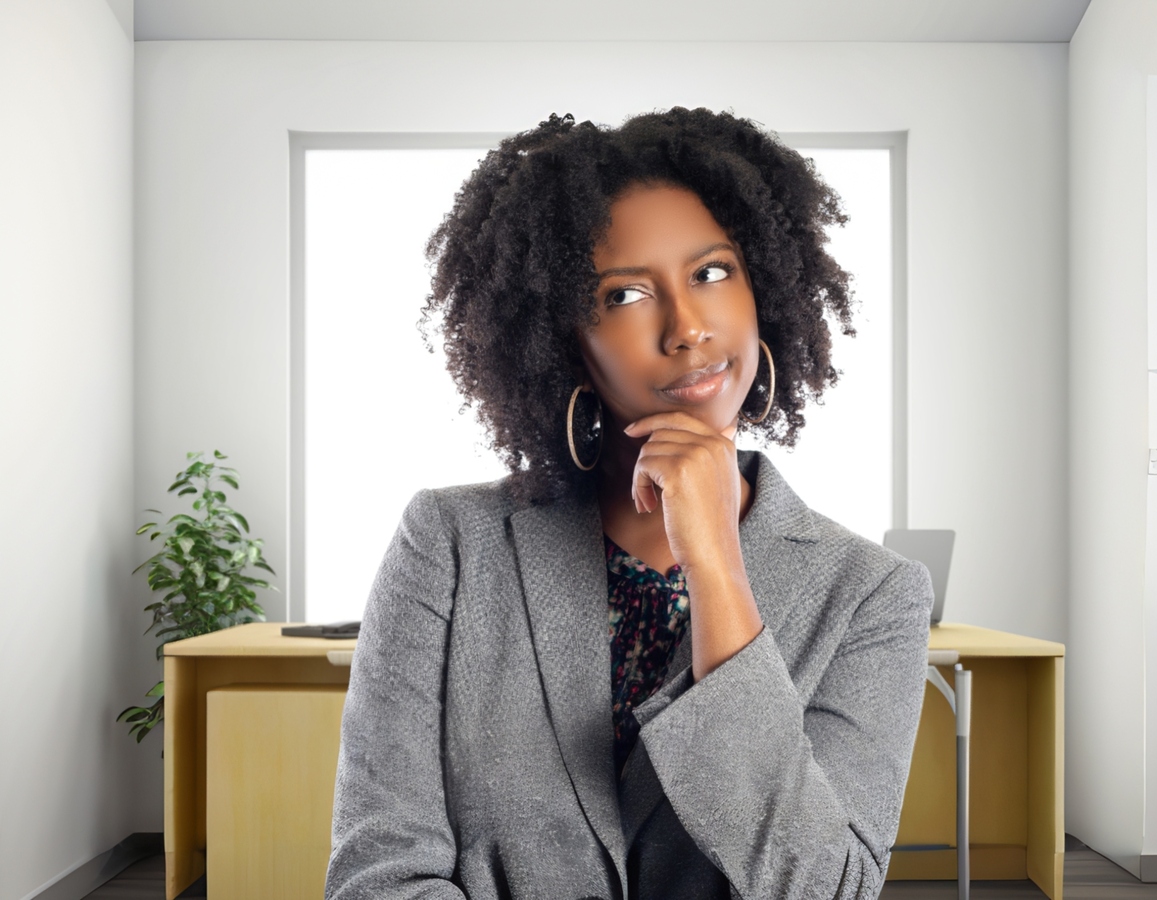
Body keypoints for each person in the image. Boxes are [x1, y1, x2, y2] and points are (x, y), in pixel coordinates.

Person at [325, 108, 934, 900]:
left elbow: (824, 887)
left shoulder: (873, 595)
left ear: (764, 293)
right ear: (559, 337)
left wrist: (715, 560)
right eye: (625, 295)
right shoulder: (448, 545)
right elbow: (381, 876)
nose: (686, 328)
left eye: (713, 273)